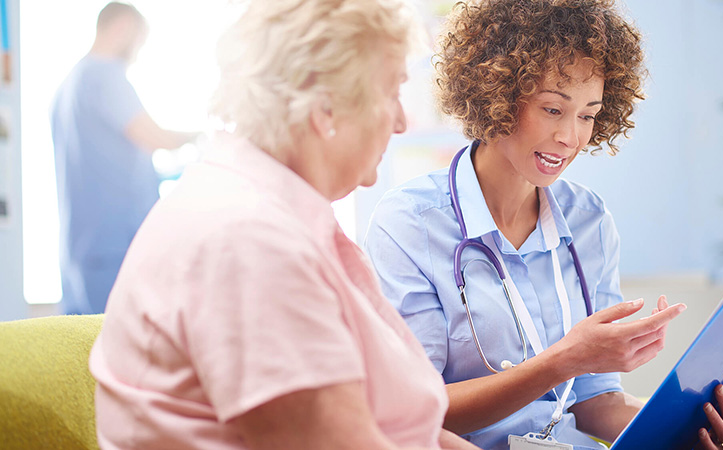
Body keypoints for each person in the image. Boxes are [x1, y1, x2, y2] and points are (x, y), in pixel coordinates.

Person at [88, 0, 479, 448]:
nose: (401, 122)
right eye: (392, 93)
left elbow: (408, 430)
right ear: (325, 108)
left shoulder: (270, 209)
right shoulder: (249, 242)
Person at [364, 1, 723, 449]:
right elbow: (415, 409)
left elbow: (595, 404)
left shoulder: (589, 221)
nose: (570, 137)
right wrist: (563, 360)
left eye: (588, 115)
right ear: (497, 94)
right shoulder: (411, 224)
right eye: (552, 109)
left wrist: (689, 428)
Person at [50, 2, 198, 315]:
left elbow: (112, 166)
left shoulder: (68, 85)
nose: (138, 52)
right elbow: (156, 138)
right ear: (121, 29)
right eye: (139, 41)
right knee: (115, 348)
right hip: (113, 248)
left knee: (81, 350)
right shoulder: (104, 75)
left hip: (83, 249)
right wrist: (204, 136)